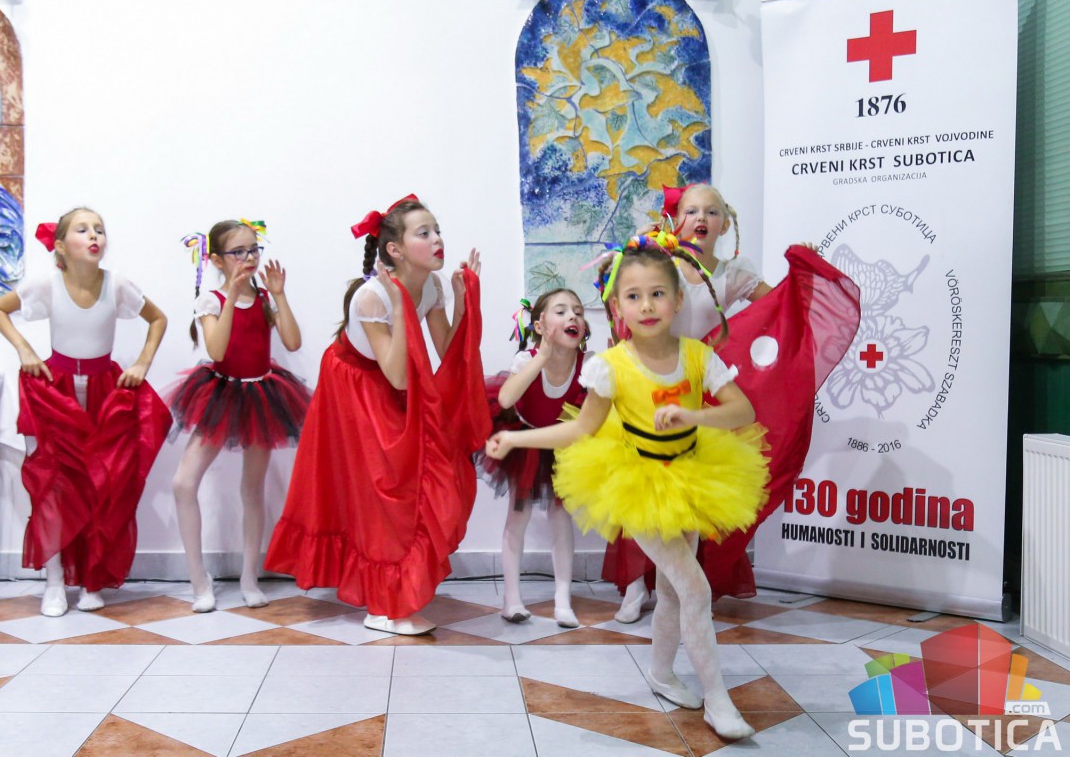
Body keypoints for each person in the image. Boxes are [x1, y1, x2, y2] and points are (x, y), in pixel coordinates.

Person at [486, 232, 769, 740]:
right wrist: (515, 438)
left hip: (694, 475)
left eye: (658, 294)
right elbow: (581, 428)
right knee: (695, 587)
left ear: (677, 300)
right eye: (634, 296)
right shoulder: (609, 366)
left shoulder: (698, 356)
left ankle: (661, 673)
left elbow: (742, 411)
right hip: (637, 484)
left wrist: (693, 415)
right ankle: (717, 699)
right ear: (616, 307)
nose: (647, 306)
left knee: (674, 590)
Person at [264, 195, 490, 635]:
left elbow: (447, 352)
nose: (437, 239)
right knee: (384, 488)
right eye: (424, 233)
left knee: (419, 474)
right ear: (395, 250)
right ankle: (382, 605)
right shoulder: (372, 297)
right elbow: (398, 376)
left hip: (392, 378)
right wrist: (401, 306)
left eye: (437, 230)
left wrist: (464, 303)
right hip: (355, 385)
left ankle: (393, 593)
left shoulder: (433, 285)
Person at [0, 208, 171, 617]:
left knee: (103, 483)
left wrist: (142, 363)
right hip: (56, 390)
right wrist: (25, 349)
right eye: (83, 229)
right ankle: (54, 582)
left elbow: (158, 319)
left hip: (106, 389)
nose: (94, 236)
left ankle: (92, 579)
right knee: (54, 485)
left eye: (99, 229)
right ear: (60, 246)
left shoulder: (116, 284)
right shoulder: (46, 285)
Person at [608, 182, 771, 621]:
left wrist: (806, 271)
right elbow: (626, 296)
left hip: (698, 388)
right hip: (648, 383)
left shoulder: (734, 274)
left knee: (686, 498)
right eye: (692, 210)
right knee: (640, 489)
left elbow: (780, 306)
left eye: (711, 212)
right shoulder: (663, 265)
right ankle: (634, 583)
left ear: (725, 224)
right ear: (676, 219)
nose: (701, 219)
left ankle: (682, 585)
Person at [166, 219, 311, 613]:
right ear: (217, 260)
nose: (249, 258)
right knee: (183, 483)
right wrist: (230, 295)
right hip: (221, 392)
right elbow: (216, 350)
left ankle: (249, 577)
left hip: (262, 393)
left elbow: (293, 341)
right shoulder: (211, 300)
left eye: (254, 249)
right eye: (239, 252)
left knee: (253, 488)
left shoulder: (264, 297)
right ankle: (199, 581)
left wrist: (279, 295)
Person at [477, 289, 590, 628]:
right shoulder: (527, 359)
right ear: (539, 326)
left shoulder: (589, 363)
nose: (572, 316)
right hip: (524, 436)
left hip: (563, 441)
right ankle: (511, 599)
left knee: (560, 515)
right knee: (518, 514)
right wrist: (542, 356)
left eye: (578, 311)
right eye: (561, 311)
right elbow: (507, 398)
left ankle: (563, 599)